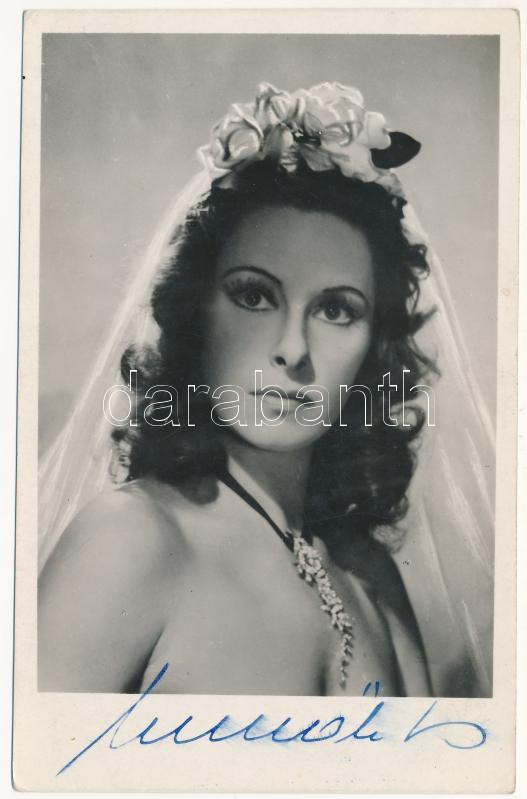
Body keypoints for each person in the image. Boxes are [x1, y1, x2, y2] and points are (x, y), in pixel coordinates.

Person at [37, 82, 491, 696]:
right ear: (196, 315)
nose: (293, 349)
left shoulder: (371, 575)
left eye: (336, 310)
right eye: (254, 296)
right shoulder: (130, 540)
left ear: (374, 347)